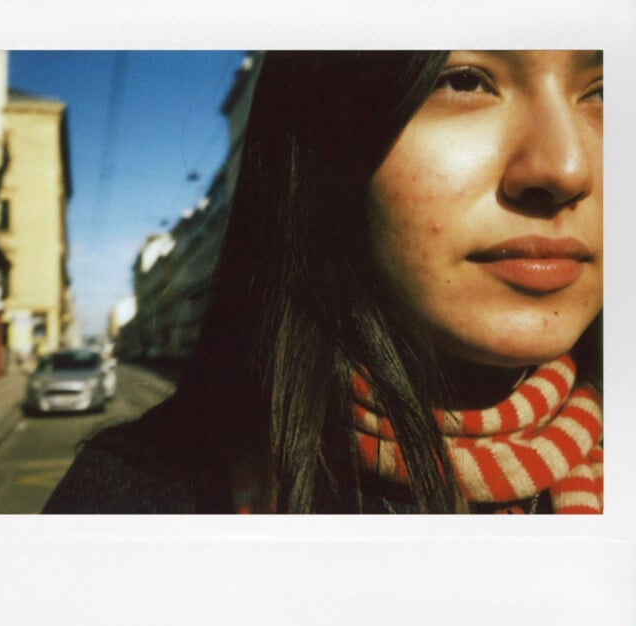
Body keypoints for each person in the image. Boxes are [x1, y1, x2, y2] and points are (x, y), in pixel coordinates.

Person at [43, 51, 603, 515]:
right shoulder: (138, 503)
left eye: (604, 91)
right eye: (463, 80)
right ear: (324, 144)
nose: (565, 168)